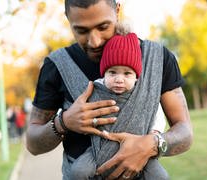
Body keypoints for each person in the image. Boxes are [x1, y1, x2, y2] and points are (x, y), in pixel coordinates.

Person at [26, 0, 193, 179]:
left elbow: (185, 132)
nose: (94, 41)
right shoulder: (56, 66)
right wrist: (63, 122)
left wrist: (152, 144)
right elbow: (33, 144)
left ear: (117, 11)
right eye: (81, 31)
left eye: (103, 26)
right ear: (68, 19)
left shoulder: (158, 59)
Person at [69, 32, 168, 179]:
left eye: (127, 73)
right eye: (112, 72)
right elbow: (82, 110)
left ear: (136, 77)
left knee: (160, 176)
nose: (119, 79)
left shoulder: (143, 94)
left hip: (138, 147)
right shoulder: (95, 90)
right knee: (78, 172)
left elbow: (157, 112)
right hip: (99, 148)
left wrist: (154, 132)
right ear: (104, 74)